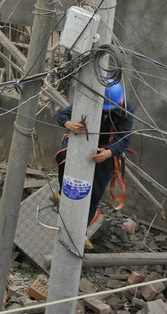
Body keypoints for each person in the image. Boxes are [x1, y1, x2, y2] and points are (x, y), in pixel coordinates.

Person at [55, 81, 135, 230]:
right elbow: (62, 115)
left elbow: (124, 139)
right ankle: (62, 196)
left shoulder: (125, 110)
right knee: (62, 157)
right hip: (80, 142)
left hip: (105, 150)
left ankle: (80, 230)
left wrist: (109, 153)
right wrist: (69, 124)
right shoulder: (87, 101)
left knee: (94, 193)